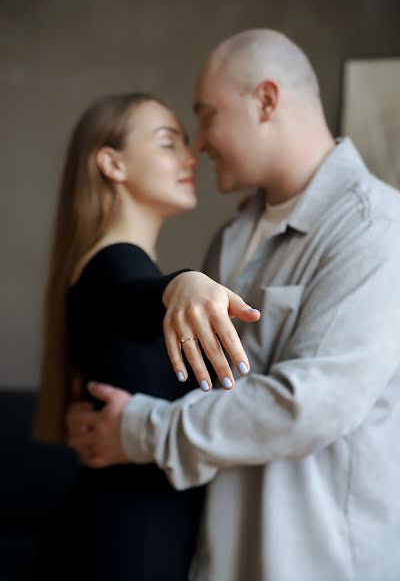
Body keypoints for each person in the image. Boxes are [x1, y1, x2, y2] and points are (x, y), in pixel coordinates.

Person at [67, 29, 400, 581]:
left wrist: (137, 431)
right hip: (215, 558)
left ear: (266, 101)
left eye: (206, 116)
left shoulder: (376, 228)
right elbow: (201, 383)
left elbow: (310, 407)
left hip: (318, 564)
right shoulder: (230, 238)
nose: (198, 143)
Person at [32, 92, 259, 581]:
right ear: (111, 163)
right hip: (127, 546)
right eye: (167, 143)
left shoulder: (103, 263)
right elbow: (133, 294)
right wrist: (183, 284)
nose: (189, 156)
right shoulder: (113, 264)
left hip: (122, 534)